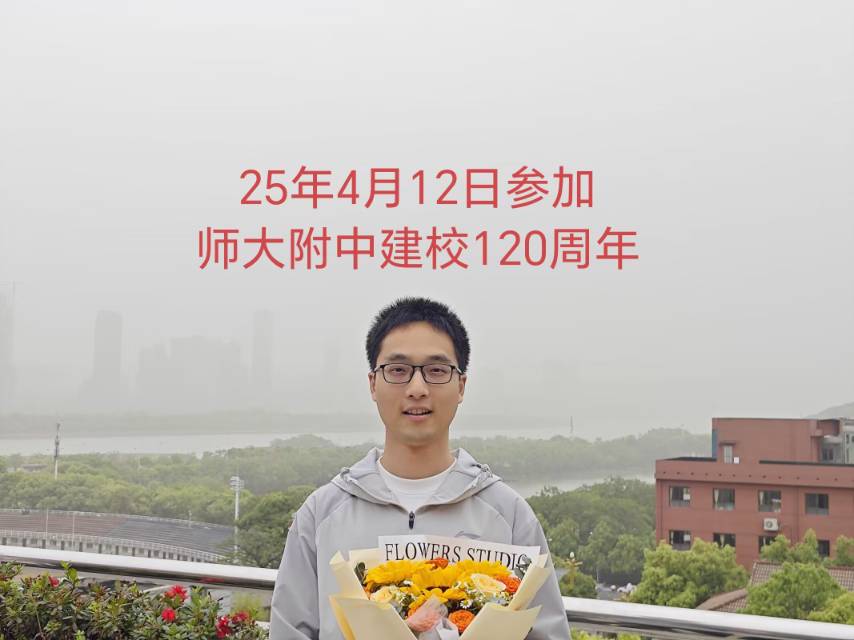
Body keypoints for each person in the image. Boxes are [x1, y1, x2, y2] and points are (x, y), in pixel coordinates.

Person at [269, 297, 570, 639]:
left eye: (436, 371)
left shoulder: (509, 515)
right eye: (398, 370)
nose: (417, 389)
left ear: (461, 386)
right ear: (373, 383)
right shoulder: (321, 515)